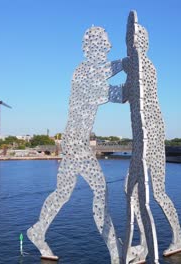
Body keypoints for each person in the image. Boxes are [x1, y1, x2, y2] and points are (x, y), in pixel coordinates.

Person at [27, 26, 123, 263]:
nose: (109, 47)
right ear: (91, 47)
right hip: (77, 143)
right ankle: (116, 252)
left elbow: (109, 83)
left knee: (62, 193)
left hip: (73, 141)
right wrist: (126, 63)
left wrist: (125, 64)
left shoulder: (90, 71)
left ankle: (37, 231)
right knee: (101, 191)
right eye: (105, 43)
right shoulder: (82, 72)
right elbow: (113, 93)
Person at [115, 11, 181, 264]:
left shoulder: (145, 67)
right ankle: (144, 246)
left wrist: (122, 64)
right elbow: (120, 94)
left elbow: (143, 103)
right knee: (129, 192)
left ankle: (175, 239)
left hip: (151, 137)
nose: (129, 44)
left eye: (132, 40)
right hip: (139, 140)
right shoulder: (132, 70)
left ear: (141, 43)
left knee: (155, 194)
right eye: (128, 39)